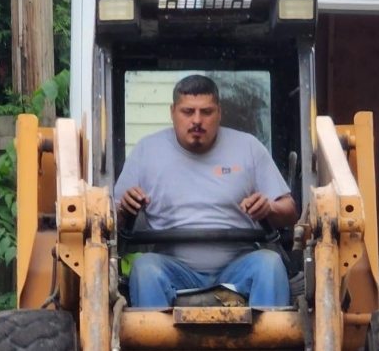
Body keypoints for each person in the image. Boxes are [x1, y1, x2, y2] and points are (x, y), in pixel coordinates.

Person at [114, 74, 299, 307]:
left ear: (219, 113)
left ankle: (272, 343)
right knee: (144, 268)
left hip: (239, 267)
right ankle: (155, 344)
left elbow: (289, 211)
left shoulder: (248, 147)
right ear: (173, 112)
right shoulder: (146, 151)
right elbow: (110, 221)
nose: (197, 120)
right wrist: (125, 208)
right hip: (172, 269)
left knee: (270, 264)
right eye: (188, 111)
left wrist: (269, 207)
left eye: (207, 112)